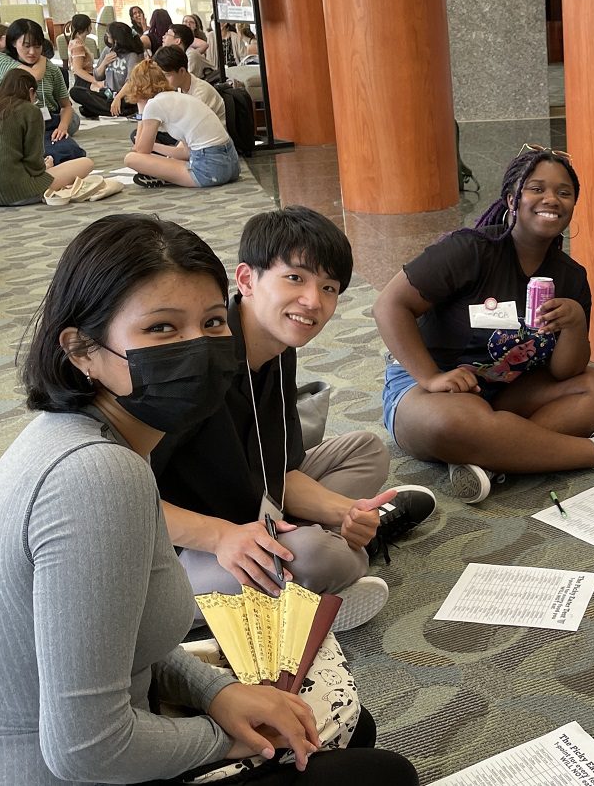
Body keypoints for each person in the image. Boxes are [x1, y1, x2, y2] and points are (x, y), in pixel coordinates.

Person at [0, 213, 420, 786]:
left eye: (212, 322)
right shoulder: (101, 477)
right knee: (380, 774)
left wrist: (218, 694)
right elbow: (87, 751)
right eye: (162, 329)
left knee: (348, 734)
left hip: (32, 749)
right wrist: (230, 735)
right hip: (51, 771)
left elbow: (117, 645)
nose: (197, 349)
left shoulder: (75, 436)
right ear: (83, 351)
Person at [153, 206, 435, 632]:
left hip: (251, 502)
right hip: (179, 548)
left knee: (367, 450)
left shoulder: (278, 348)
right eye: (295, 278)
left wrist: (347, 512)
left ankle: (310, 554)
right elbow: (128, 503)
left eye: (329, 288)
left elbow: (281, 471)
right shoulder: (200, 362)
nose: (313, 302)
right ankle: (314, 564)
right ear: (246, 280)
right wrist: (220, 537)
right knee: (328, 556)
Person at [375, 144, 594, 504]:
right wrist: (431, 376)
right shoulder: (471, 250)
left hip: (506, 390)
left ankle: (492, 458)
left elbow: (567, 371)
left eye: (564, 193)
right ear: (512, 199)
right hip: (430, 389)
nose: (551, 198)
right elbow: (389, 306)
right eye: (537, 188)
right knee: (454, 424)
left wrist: (575, 323)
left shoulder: (571, 277)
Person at [0, 68, 95, 206]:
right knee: (86, 163)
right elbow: (34, 165)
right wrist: (46, 166)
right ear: (31, 92)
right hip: (13, 192)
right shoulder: (28, 110)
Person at [121, 59, 240, 189]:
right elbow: (186, 153)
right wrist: (154, 146)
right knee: (161, 157)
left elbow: (141, 150)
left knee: (131, 158)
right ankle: (167, 175)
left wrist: (141, 110)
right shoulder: (180, 97)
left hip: (208, 171)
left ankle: (164, 176)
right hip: (232, 166)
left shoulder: (153, 105)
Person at [0, 18, 86, 164]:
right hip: (14, 125)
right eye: (26, 46)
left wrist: (62, 127)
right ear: (13, 43)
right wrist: (42, 58)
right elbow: (33, 76)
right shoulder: (0, 59)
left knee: (73, 155)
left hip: (47, 123)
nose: (32, 52)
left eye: (37, 46)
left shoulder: (52, 70)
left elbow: (66, 105)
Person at [97, 20, 144, 113]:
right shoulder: (107, 51)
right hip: (108, 93)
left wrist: (118, 98)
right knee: (77, 92)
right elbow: (97, 76)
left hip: (124, 96)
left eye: (108, 33)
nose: (106, 35)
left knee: (87, 108)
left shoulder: (132, 56)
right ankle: (113, 109)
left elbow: (131, 81)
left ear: (116, 38)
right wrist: (104, 63)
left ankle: (110, 108)